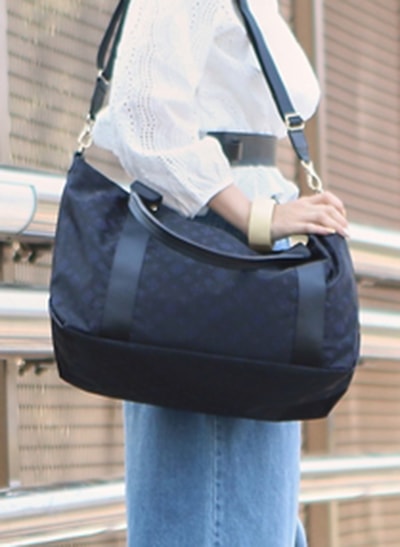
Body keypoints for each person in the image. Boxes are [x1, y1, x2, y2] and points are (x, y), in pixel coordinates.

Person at [93, 1, 349, 545]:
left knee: (245, 517)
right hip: (214, 252)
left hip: (237, 248)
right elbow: (144, 113)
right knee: (220, 517)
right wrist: (256, 216)